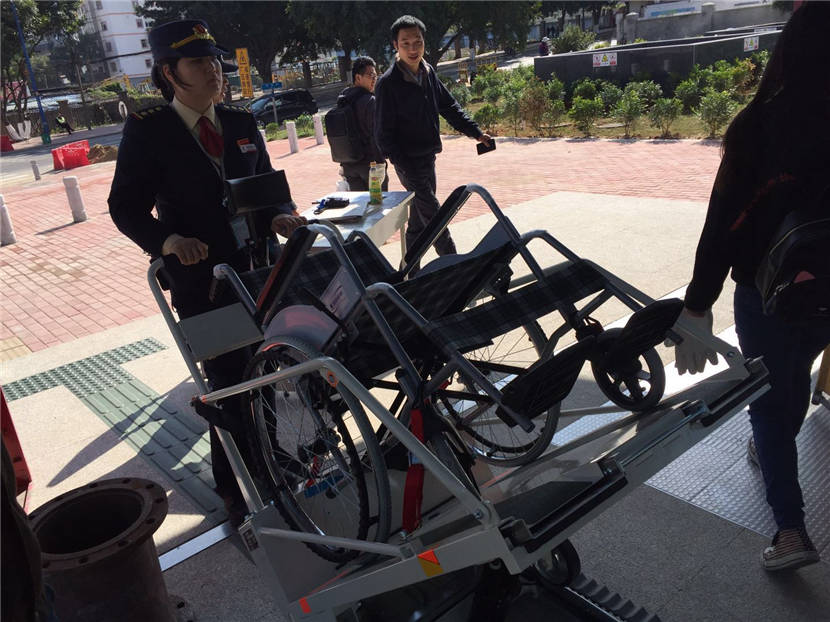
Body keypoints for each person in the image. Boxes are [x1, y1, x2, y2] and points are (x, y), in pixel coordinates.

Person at [108, 19, 305, 524]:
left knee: (265, 371)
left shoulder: (239, 121)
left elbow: (266, 184)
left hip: (258, 271)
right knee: (228, 383)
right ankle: (236, 487)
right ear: (169, 73)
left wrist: (281, 214)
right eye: (198, 62)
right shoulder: (150, 130)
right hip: (203, 284)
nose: (213, 69)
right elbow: (124, 207)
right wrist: (168, 242)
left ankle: (274, 463)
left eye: (214, 59)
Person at [669, 1, 830, 572]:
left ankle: (790, 532)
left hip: (769, 293)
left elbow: (724, 227)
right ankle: (772, 448)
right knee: (795, 373)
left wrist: (696, 306)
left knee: (767, 401)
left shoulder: (761, 124)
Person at [375, 15, 492, 257]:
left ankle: (409, 270)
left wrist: (477, 133)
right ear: (395, 45)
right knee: (435, 215)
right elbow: (383, 135)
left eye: (417, 42)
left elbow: (450, 108)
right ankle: (455, 265)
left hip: (428, 157)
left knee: (420, 221)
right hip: (407, 163)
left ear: (424, 42)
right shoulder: (388, 83)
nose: (412, 49)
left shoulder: (428, 73)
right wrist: (403, 165)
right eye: (405, 43)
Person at [336, 56, 388, 192]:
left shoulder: (343, 99)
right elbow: (377, 134)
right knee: (378, 203)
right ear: (358, 78)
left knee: (359, 204)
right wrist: (382, 161)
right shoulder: (370, 101)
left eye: (376, 76)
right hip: (371, 166)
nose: (374, 79)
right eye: (371, 75)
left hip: (348, 166)